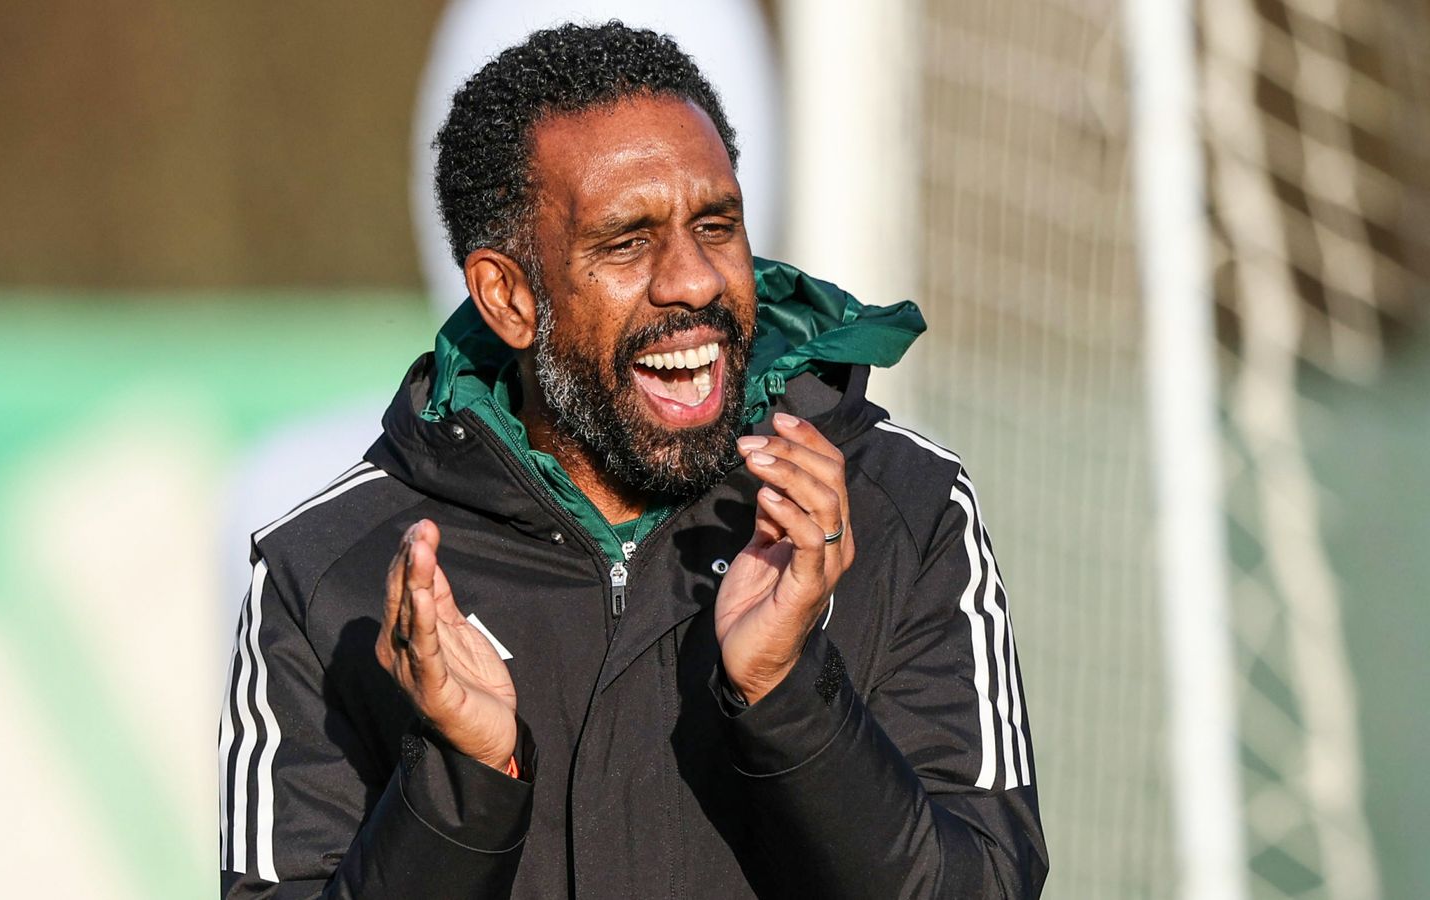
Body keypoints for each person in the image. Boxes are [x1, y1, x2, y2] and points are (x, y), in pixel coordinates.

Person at [219, 21, 1047, 899]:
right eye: (627, 241)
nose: (692, 280)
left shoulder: (901, 511)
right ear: (508, 296)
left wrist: (791, 696)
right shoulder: (327, 579)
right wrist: (465, 782)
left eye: (716, 225)